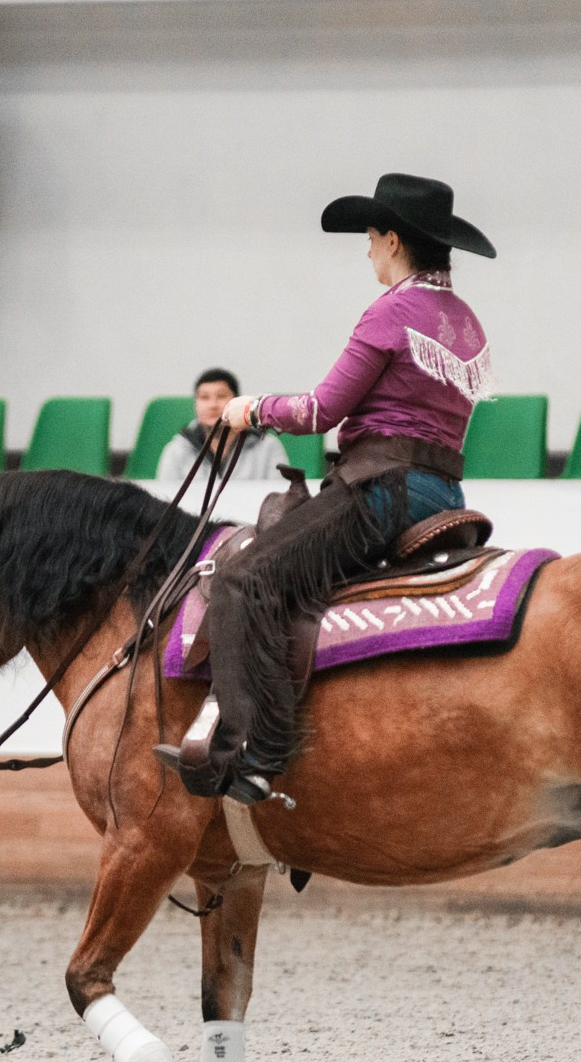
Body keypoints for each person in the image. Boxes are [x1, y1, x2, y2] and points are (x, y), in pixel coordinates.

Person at [158, 173, 495, 804]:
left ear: (394, 240)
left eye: (370, 239)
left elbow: (320, 411)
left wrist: (252, 409)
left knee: (239, 581)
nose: (367, 251)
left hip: (379, 490)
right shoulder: (465, 321)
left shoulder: (392, 311)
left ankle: (257, 753)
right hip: (443, 493)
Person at [154, 368, 289, 481]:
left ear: (236, 401)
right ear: (195, 405)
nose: (212, 405)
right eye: (204, 397)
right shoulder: (177, 450)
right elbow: (166, 502)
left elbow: (280, 501)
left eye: (221, 396)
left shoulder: (268, 446)